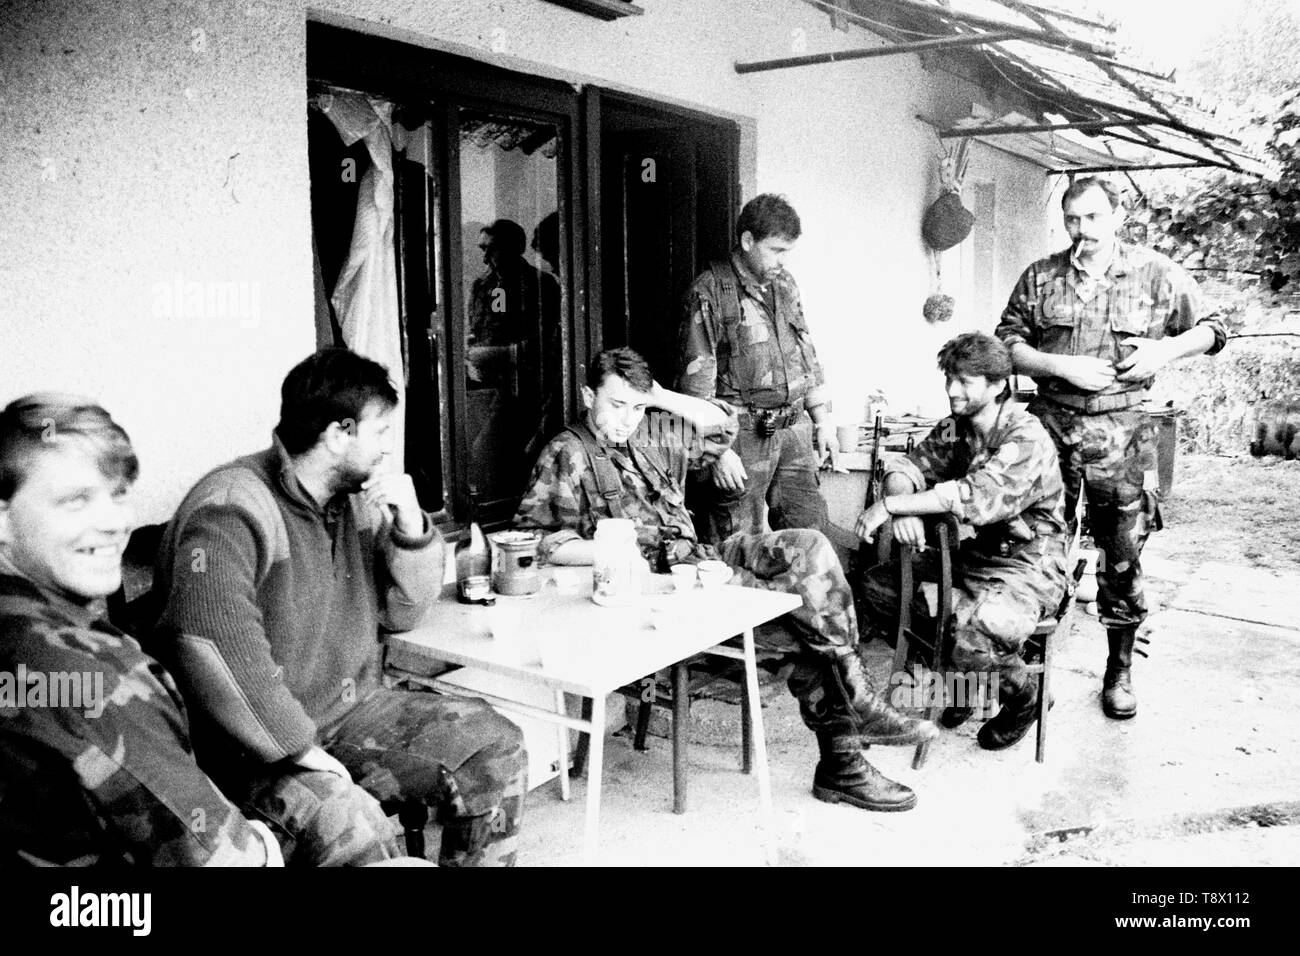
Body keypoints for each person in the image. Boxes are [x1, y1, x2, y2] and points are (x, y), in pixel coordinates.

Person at [516, 347, 936, 813]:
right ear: (588, 394)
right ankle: (844, 759)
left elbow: (724, 428)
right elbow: (534, 541)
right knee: (796, 623)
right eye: (616, 406)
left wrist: (657, 397)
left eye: (637, 408)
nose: (627, 420)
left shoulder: (653, 431)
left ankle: (855, 701)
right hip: (662, 589)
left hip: (705, 559)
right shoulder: (568, 453)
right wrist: (611, 551)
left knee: (811, 546)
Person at [153, 348, 527, 866]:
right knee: (352, 822)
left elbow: (402, 613)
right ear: (336, 435)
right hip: (250, 750)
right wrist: (299, 748)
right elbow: (210, 644)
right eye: (380, 433)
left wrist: (413, 529)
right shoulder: (232, 507)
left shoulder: (355, 500)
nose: (386, 451)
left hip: (350, 712)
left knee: (494, 745)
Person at [0, 394, 298, 865]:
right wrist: (264, 845)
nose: (116, 522)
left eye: (118, 494)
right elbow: (224, 858)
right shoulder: (86, 680)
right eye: (76, 500)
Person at [995, 176, 1227, 720]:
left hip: (1119, 435)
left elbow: (1216, 329)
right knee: (1030, 544)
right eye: (1073, 220)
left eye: (1094, 219)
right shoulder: (1042, 276)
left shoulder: (1158, 273)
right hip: (1047, 431)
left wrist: (1164, 352)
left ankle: (1119, 668)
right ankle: (1026, 669)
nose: (1083, 231)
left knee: (1120, 555)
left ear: (1118, 217)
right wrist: (1056, 364)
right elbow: (1006, 343)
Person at [854, 334, 1070, 750]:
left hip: (1029, 566)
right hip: (976, 556)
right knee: (878, 587)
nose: (953, 390)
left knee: (973, 632)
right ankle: (959, 685)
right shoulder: (957, 426)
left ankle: (1026, 698)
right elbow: (906, 467)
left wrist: (892, 506)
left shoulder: (1024, 436)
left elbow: (975, 496)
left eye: (965, 382)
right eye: (950, 378)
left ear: (996, 386)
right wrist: (907, 506)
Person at [676, 194, 838, 541]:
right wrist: (716, 453)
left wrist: (823, 421)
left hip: (794, 430)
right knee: (738, 542)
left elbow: (806, 353)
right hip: (741, 437)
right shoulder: (709, 292)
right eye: (776, 250)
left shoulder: (785, 284)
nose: (782, 261)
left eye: (787, 252)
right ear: (748, 241)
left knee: (810, 534)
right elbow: (696, 389)